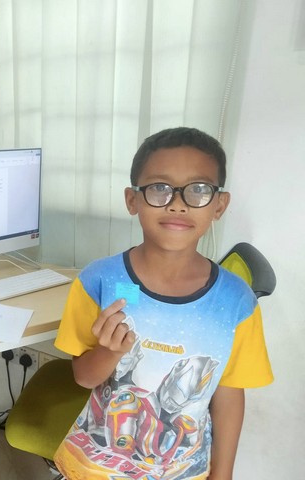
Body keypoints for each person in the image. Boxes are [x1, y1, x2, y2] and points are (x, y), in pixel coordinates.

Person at [52, 127, 273, 479]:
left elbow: (230, 393)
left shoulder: (237, 302)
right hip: (95, 468)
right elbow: (83, 377)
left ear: (219, 205)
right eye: (159, 187)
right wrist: (109, 352)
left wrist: (223, 473)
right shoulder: (98, 281)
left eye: (198, 189)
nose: (177, 203)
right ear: (132, 200)